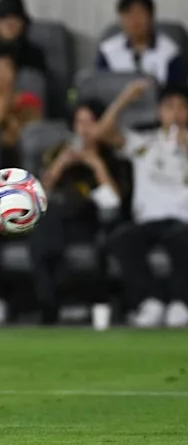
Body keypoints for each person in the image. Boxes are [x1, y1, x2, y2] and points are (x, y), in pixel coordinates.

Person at [95, 81, 188, 328]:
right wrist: (125, 98)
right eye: (170, 107)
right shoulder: (143, 142)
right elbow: (103, 133)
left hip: (181, 221)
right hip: (148, 220)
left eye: (182, 107)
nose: (176, 113)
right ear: (160, 112)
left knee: (181, 238)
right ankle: (151, 301)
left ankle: (182, 303)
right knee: (121, 238)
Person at [31, 100, 128, 325]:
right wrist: (60, 165)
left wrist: (95, 164)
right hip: (58, 221)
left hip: (94, 220)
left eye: (90, 122)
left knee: (48, 229)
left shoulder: (113, 157)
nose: (84, 129)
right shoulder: (58, 153)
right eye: (79, 122)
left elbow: (115, 201)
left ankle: (53, 304)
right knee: (44, 225)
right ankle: (51, 303)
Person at [97, 0, 186, 86]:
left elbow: (177, 94)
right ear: (120, 19)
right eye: (128, 14)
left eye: (140, 13)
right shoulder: (107, 51)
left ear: (151, 17)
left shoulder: (169, 52)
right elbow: (101, 90)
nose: (135, 21)